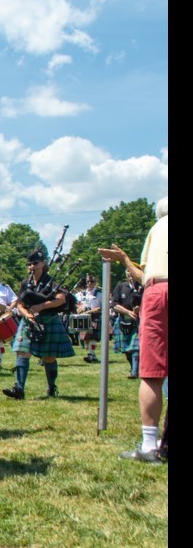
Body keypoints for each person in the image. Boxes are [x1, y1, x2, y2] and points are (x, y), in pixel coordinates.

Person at [99, 196, 167, 463]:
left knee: (152, 372)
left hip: (158, 291)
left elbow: (143, 275)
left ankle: (150, 443)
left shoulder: (157, 228)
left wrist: (125, 260)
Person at [2, 250, 75, 400]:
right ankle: (19, 389)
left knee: (48, 357)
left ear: (43, 264)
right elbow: (20, 304)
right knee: (22, 352)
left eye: (35, 263)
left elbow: (61, 299)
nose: (32, 266)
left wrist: (41, 306)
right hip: (29, 321)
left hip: (48, 320)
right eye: (29, 264)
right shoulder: (25, 283)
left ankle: (51, 387)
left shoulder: (51, 281)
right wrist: (26, 314)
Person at [110, 274, 143, 379]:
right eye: (128, 272)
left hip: (139, 319)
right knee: (126, 349)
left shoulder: (142, 286)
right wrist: (128, 312)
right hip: (123, 319)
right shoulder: (120, 286)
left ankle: (134, 372)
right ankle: (134, 367)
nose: (130, 275)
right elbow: (114, 305)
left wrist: (140, 308)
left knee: (136, 347)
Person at [76, 274, 103, 362]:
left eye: (91, 282)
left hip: (95, 316)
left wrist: (94, 310)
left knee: (92, 337)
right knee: (86, 338)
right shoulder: (81, 294)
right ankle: (93, 355)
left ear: (95, 283)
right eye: (88, 281)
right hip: (84, 317)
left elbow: (103, 307)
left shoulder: (99, 294)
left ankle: (90, 354)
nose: (89, 283)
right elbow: (77, 305)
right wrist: (79, 308)